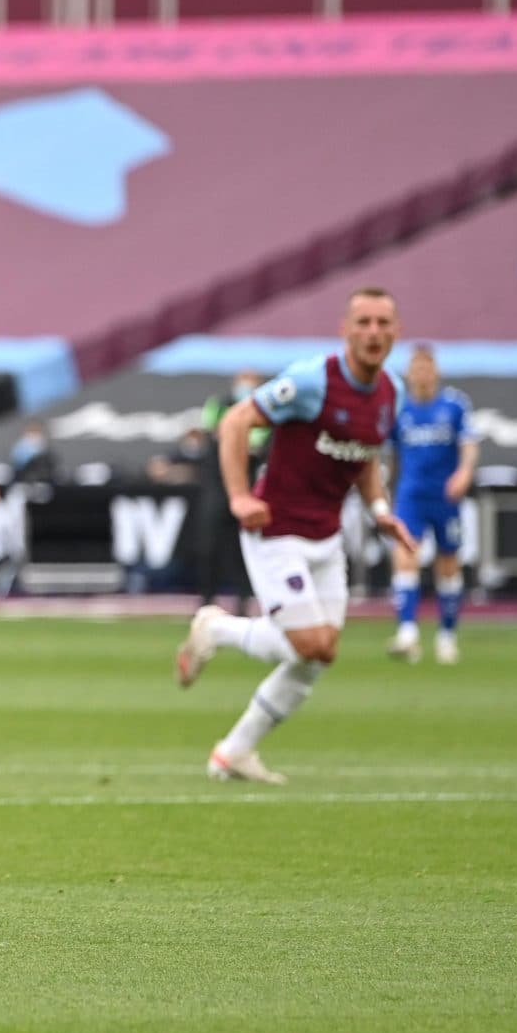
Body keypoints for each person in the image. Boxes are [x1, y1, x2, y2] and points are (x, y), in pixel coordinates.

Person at [175, 287, 415, 784]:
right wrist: (240, 496)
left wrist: (379, 510)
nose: (373, 332)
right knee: (310, 643)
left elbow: (365, 454)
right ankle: (218, 629)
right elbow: (236, 422)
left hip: (327, 536)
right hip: (276, 529)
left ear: (397, 331)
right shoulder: (313, 380)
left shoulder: (391, 392)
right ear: (345, 330)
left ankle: (233, 753)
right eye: (364, 322)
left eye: (383, 323)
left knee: (320, 655)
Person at [385, 344, 479, 665]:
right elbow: (391, 453)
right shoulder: (399, 409)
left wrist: (464, 473)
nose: (422, 375)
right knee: (404, 553)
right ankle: (407, 632)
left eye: (427, 368)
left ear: (436, 372)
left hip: (445, 496)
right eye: (417, 369)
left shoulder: (453, 405)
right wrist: (386, 491)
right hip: (411, 495)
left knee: (448, 562)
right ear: (409, 374)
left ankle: (447, 635)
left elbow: (469, 443)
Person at [195, 371, 269, 612]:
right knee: (209, 546)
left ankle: (243, 600)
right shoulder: (218, 405)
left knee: (243, 548)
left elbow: (256, 444)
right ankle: (206, 599)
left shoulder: (262, 411)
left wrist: (233, 438)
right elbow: (213, 434)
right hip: (217, 488)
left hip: (246, 489)